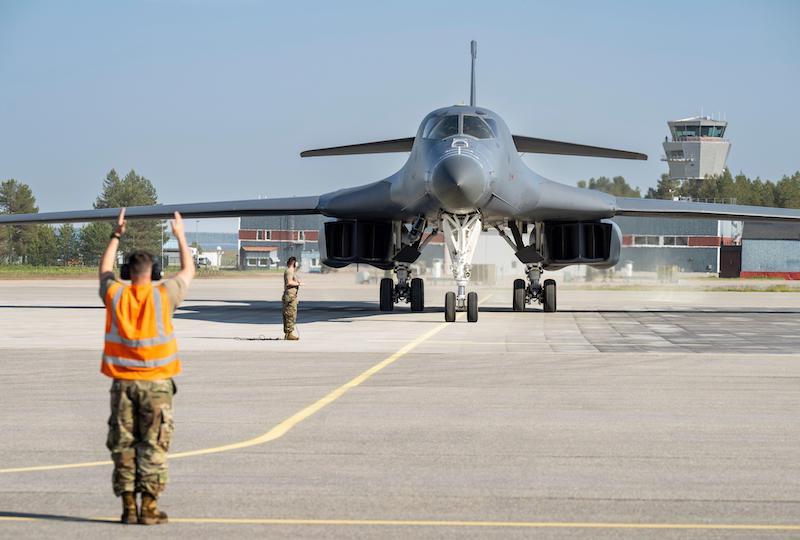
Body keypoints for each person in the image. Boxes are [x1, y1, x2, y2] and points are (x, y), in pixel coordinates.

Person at [99, 208, 195, 525]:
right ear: (153, 272)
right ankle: (150, 509)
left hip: (123, 385)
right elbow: (188, 270)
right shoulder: (164, 295)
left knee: (124, 445)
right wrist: (180, 235)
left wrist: (116, 233)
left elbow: (103, 272)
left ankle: (128, 507)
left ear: (127, 272)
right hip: (156, 385)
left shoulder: (115, 295)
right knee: (153, 446)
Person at [282, 256, 301, 340]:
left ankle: (288, 333)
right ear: (294, 263)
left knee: (291, 314)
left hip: (292, 296)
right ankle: (289, 334)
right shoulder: (289, 271)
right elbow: (289, 282)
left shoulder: (290, 271)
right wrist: (298, 283)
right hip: (290, 296)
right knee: (290, 314)